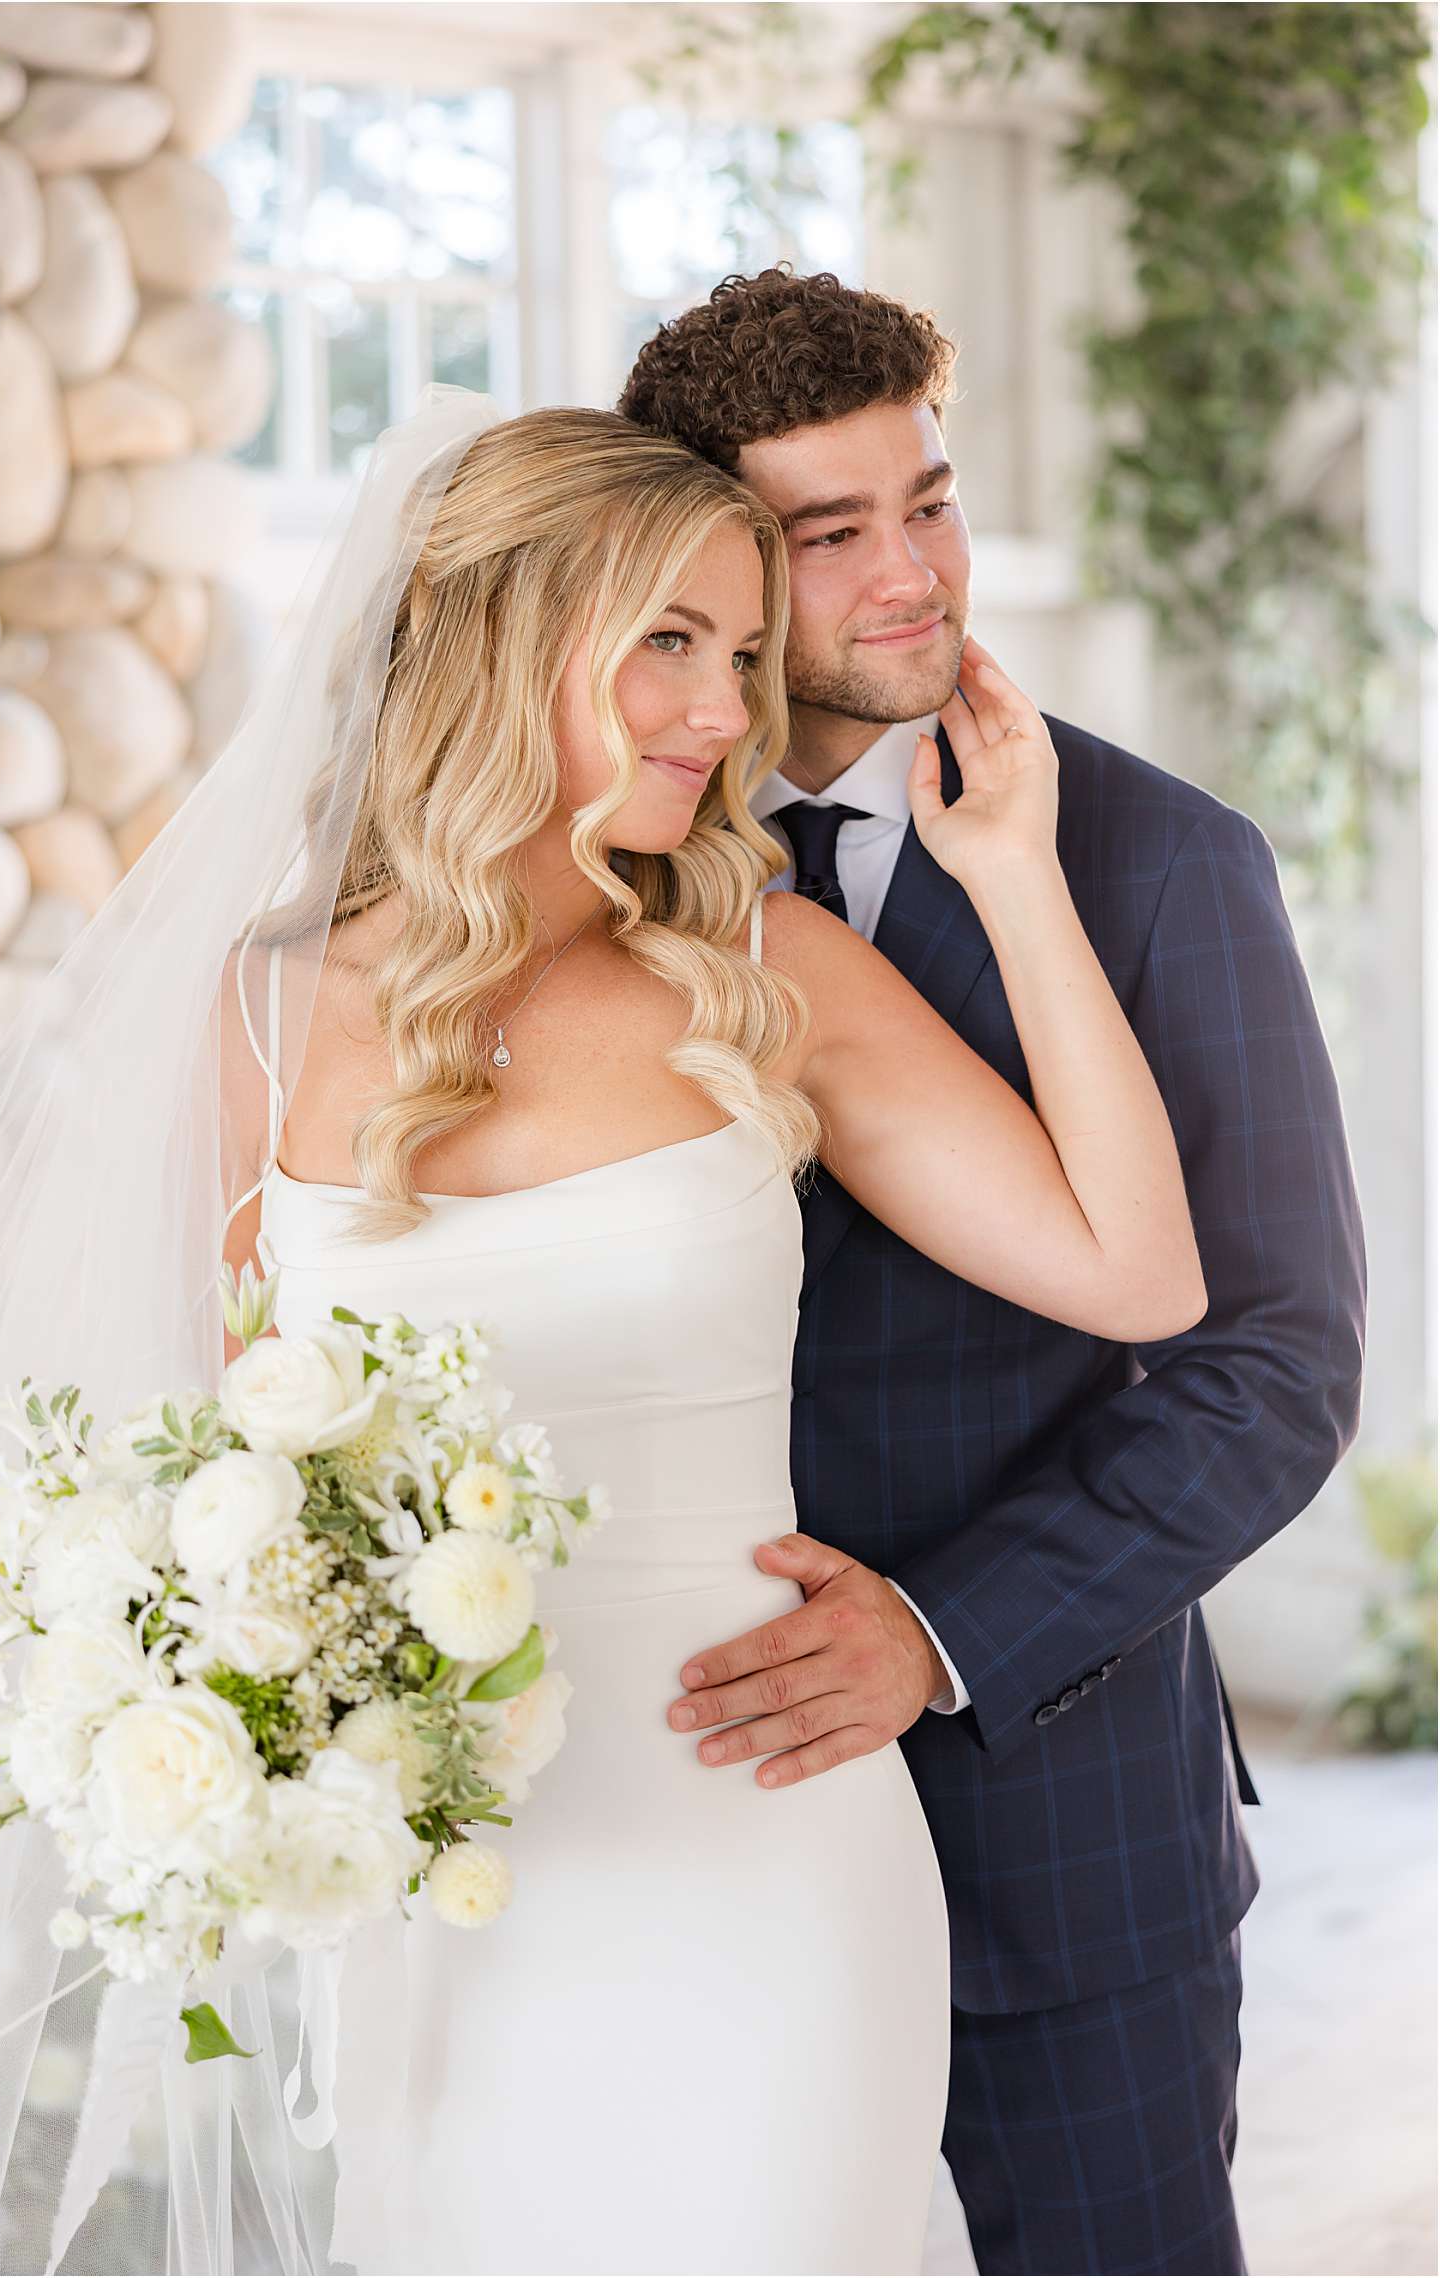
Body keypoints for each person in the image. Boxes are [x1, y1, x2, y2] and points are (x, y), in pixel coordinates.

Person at [0, 394, 1204, 2278]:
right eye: (667, 646)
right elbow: (186, 1475)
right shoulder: (261, 1016)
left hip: (761, 1849)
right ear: (503, 642)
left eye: (745, 654)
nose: (721, 714)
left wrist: (1016, 878)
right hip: (436, 1889)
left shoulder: (764, 972)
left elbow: (1139, 1273)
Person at [619, 267, 1369, 2278]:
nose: (907, 574)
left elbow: (1272, 1368)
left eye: (927, 500)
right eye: (826, 530)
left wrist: (938, 1629)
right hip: (673, 1815)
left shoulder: (1160, 861)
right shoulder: (592, 875)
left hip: (1063, 1828)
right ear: (706, 564)